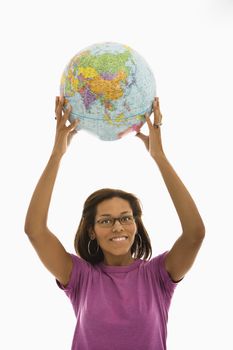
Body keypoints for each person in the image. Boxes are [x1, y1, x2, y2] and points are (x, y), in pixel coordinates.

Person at [24, 96, 205, 350]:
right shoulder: (80, 277)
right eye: (106, 220)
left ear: (135, 225)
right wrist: (57, 153)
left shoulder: (157, 276)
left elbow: (195, 234)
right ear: (92, 231)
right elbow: (35, 231)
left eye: (125, 218)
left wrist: (159, 156)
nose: (118, 227)